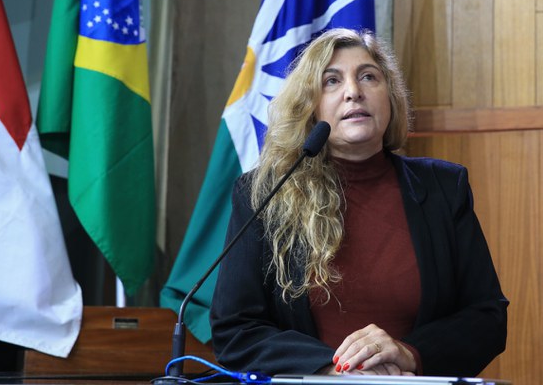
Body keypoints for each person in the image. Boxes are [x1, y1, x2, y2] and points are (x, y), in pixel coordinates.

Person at [210, 28, 508, 377]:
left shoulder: (444, 187)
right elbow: (235, 328)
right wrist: (331, 371)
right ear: (311, 106)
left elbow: (487, 316)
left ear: (390, 96)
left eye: (368, 77)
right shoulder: (264, 193)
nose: (354, 92)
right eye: (331, 81)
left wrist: (408, 353)